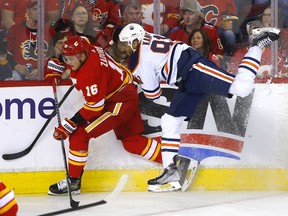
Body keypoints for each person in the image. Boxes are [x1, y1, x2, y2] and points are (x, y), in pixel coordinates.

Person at [117, 23, 280, 192]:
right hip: (188, 78)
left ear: (135, 41)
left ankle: (256, 45)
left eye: (126, 44)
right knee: (169, 121)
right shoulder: (149, 38)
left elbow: (153, 94)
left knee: (242, 87)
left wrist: (139, 78)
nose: (124, 49)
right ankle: (171, 171)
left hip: (196, 69)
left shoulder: (139, 59)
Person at [44, 35, 163, 195]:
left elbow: (94, 108)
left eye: (71, 59)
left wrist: (70, 123)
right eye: (66, 58)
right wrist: (57, 62)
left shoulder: (91, 73)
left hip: (120, 102)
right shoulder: (87, 46)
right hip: (125, 91)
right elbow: (82, 39)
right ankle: (175, 157)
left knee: (78, 135)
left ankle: (73, 182)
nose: (69, 63)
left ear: (81, 55)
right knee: (132, 142)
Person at [6, 0, 50, 80]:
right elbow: (7, 54)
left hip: (40, 72)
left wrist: (41, 69)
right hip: (19, 71)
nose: (38, 12)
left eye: (40, 9)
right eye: (35, 9)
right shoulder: (15, 29)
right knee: (14, 76)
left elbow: (53, 56)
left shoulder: (48, 31)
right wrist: (16, 66)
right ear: (28, 11)